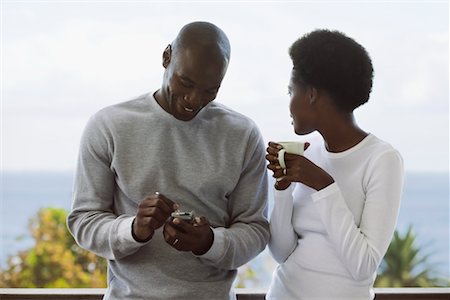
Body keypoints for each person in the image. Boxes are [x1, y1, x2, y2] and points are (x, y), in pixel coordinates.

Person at [67, 21, 269, 300]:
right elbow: (84, 222)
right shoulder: (109, 125)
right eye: (185, 82)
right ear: (166, 57)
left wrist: (209, 242)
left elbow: (255, 230)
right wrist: (134, 229)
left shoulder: (243, 134)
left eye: (210, 90)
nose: (194, 99)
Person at [265, 29, 404, 300]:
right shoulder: (310, 154)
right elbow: (281, 252)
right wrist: (282, 189)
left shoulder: (382, 160)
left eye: (291, 91)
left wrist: (323, 184)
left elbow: (363, 266)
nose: (289, 103)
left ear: (312, 94)